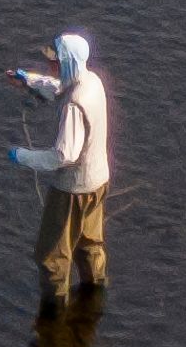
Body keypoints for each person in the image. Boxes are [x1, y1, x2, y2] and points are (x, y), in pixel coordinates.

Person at [10, 30, 112, 307]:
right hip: (98, 183)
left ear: (67, 63)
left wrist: (22, 156)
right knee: (89, 245)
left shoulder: (74, 106)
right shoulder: (92, 82)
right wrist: (28, 81)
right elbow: (59, 88)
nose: (50, 65)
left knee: (51, 256)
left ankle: (54, 316)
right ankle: (96, 299)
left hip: (72, 192)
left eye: (55, 62)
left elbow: (63, 156)